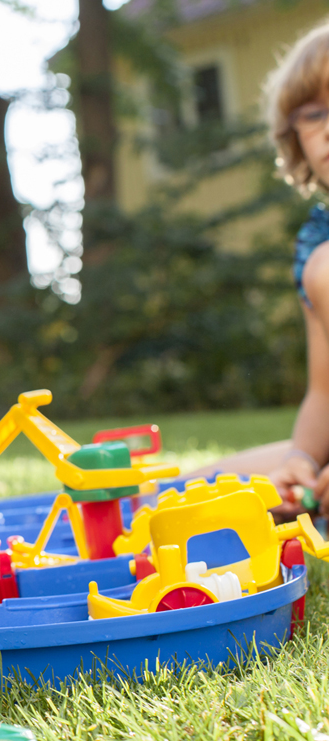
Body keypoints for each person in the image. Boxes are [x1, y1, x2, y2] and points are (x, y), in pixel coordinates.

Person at [198, 23, 329, 519]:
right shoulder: (317, 243)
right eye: (314, 114)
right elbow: (324, 391)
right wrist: (302, 458)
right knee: (197, 493)